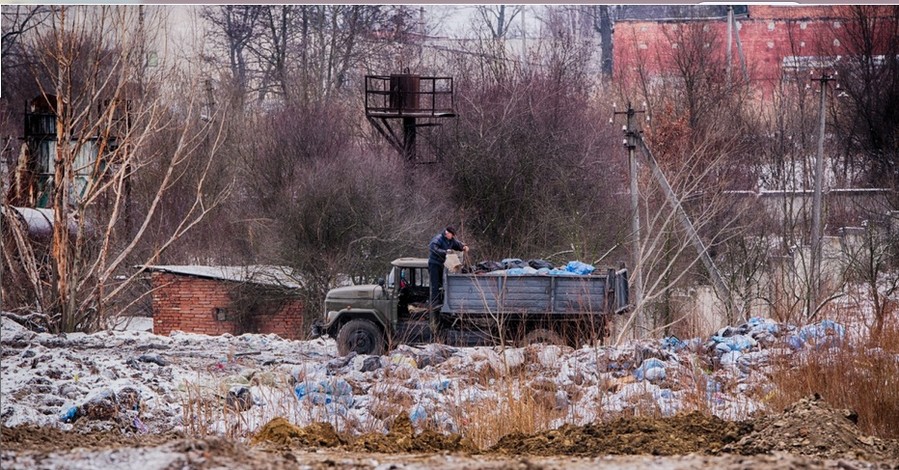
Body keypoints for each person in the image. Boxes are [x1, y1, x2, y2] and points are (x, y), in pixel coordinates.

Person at [427, 226, 468, 310]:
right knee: (435, 283)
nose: (452, 236)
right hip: (434, 263)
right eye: (451, 235)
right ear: (447, 233)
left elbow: (457, 244)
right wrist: (445, 252)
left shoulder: (451, 240)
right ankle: (434, 302)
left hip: (442, 264)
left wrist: (463, 247)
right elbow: (433, 248)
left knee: (441, 283)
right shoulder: (438, 239)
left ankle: (441, 300)